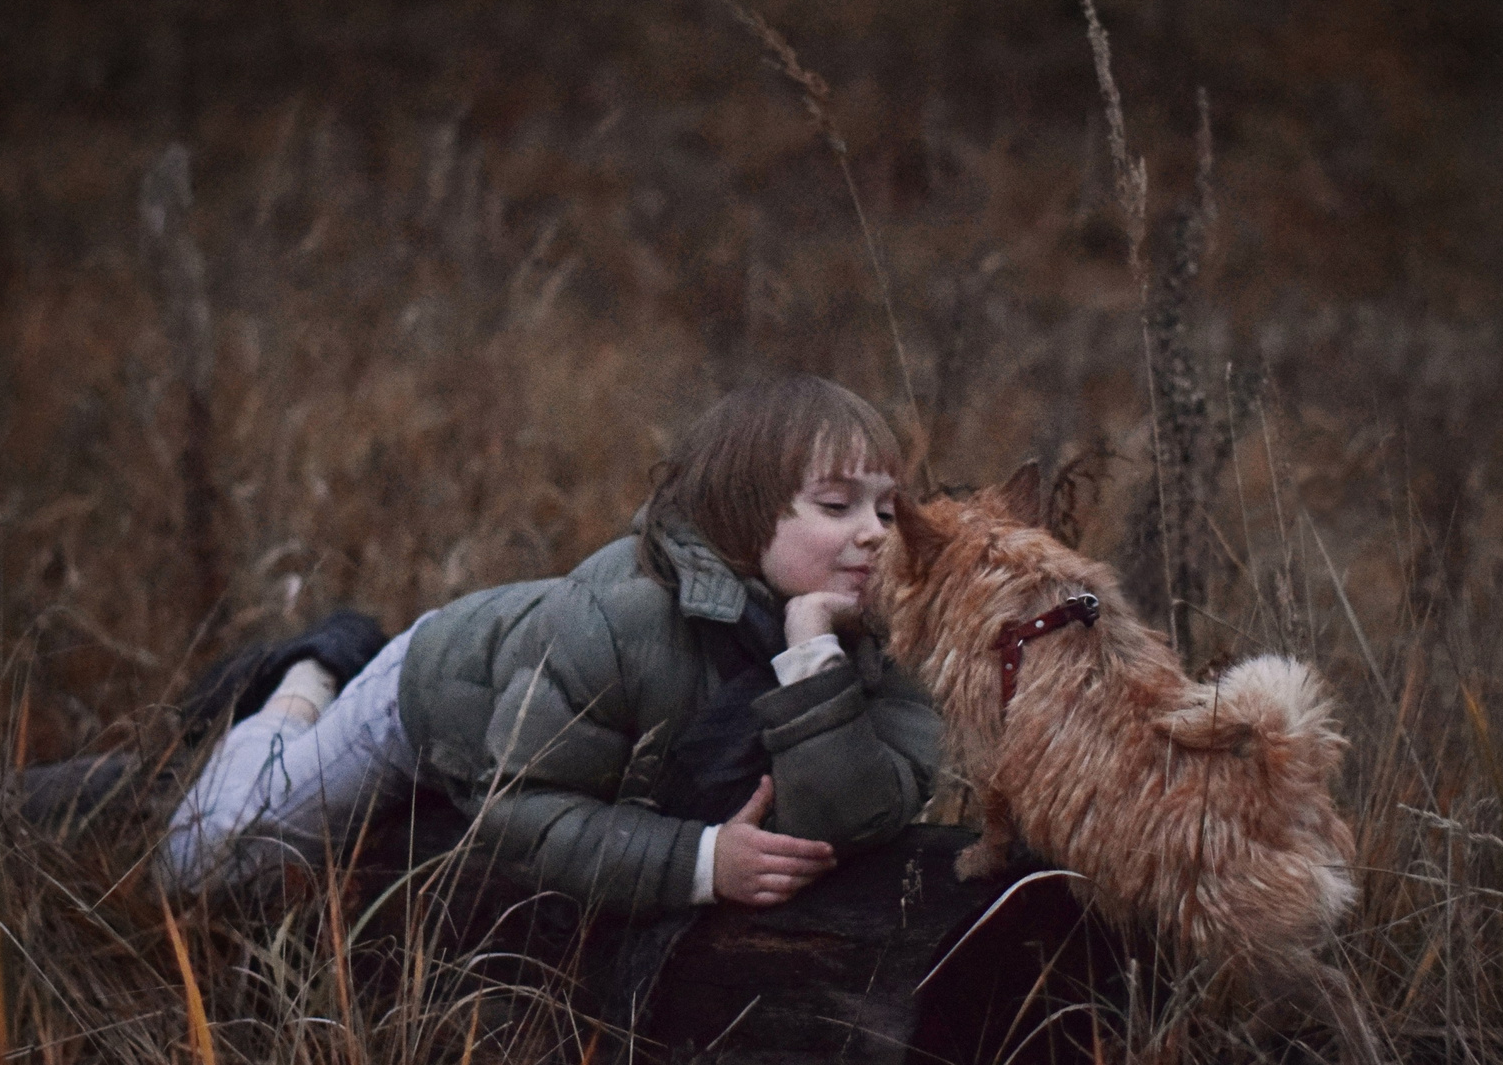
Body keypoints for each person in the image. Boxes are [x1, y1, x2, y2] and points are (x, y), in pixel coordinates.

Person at [160, 376, 940, 925]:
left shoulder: (876, 627)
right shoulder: (622, 616)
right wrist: (701, 863)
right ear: (740, 518)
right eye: (837, 505)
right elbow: (513, 802)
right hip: (431, 698)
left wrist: (812, 655)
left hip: (526, 689)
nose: (875, 531)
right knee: (202, 863)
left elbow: (854, 816)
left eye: (884, 505)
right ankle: (310, 671)